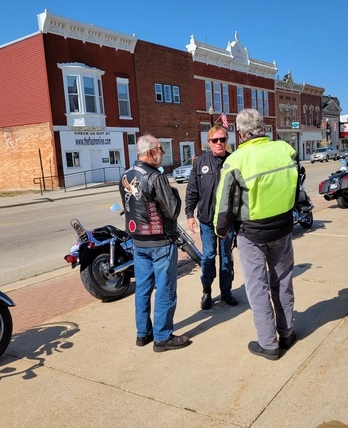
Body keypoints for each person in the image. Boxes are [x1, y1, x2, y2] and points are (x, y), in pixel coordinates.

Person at [214, 108, 299, 361]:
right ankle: (287, 332)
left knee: (257, 287)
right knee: (283, 281)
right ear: (263, 128)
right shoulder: (285, 150)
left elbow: (224, 203)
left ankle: (268, 343)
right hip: (282, 227)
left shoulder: (236, 160)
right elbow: (296, 185)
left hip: (251, 233)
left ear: (241, 134)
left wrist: (221, 229)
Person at [119, 134, 191, 352]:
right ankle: (162, 336)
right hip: (160, 241)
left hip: (139, 242)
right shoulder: (155, 177)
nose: (163, 153)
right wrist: (174, 192)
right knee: (165, 289)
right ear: (150, 152)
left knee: (142, 288)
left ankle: (143, 333)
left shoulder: (126, 174)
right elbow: (172, 210)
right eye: (160, 149)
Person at [185, 125, 237, 310]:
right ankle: (206, 291)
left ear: (227, 141)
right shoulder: (200, 162)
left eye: (222, 139)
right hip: (207, 221)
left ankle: (226, 292)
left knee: (226, 257)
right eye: (215, 140)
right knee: (208, 256)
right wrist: (189, 214)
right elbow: (192, 190)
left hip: (227, 221)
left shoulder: (234, 161)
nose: (219, 143)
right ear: (209, 142)